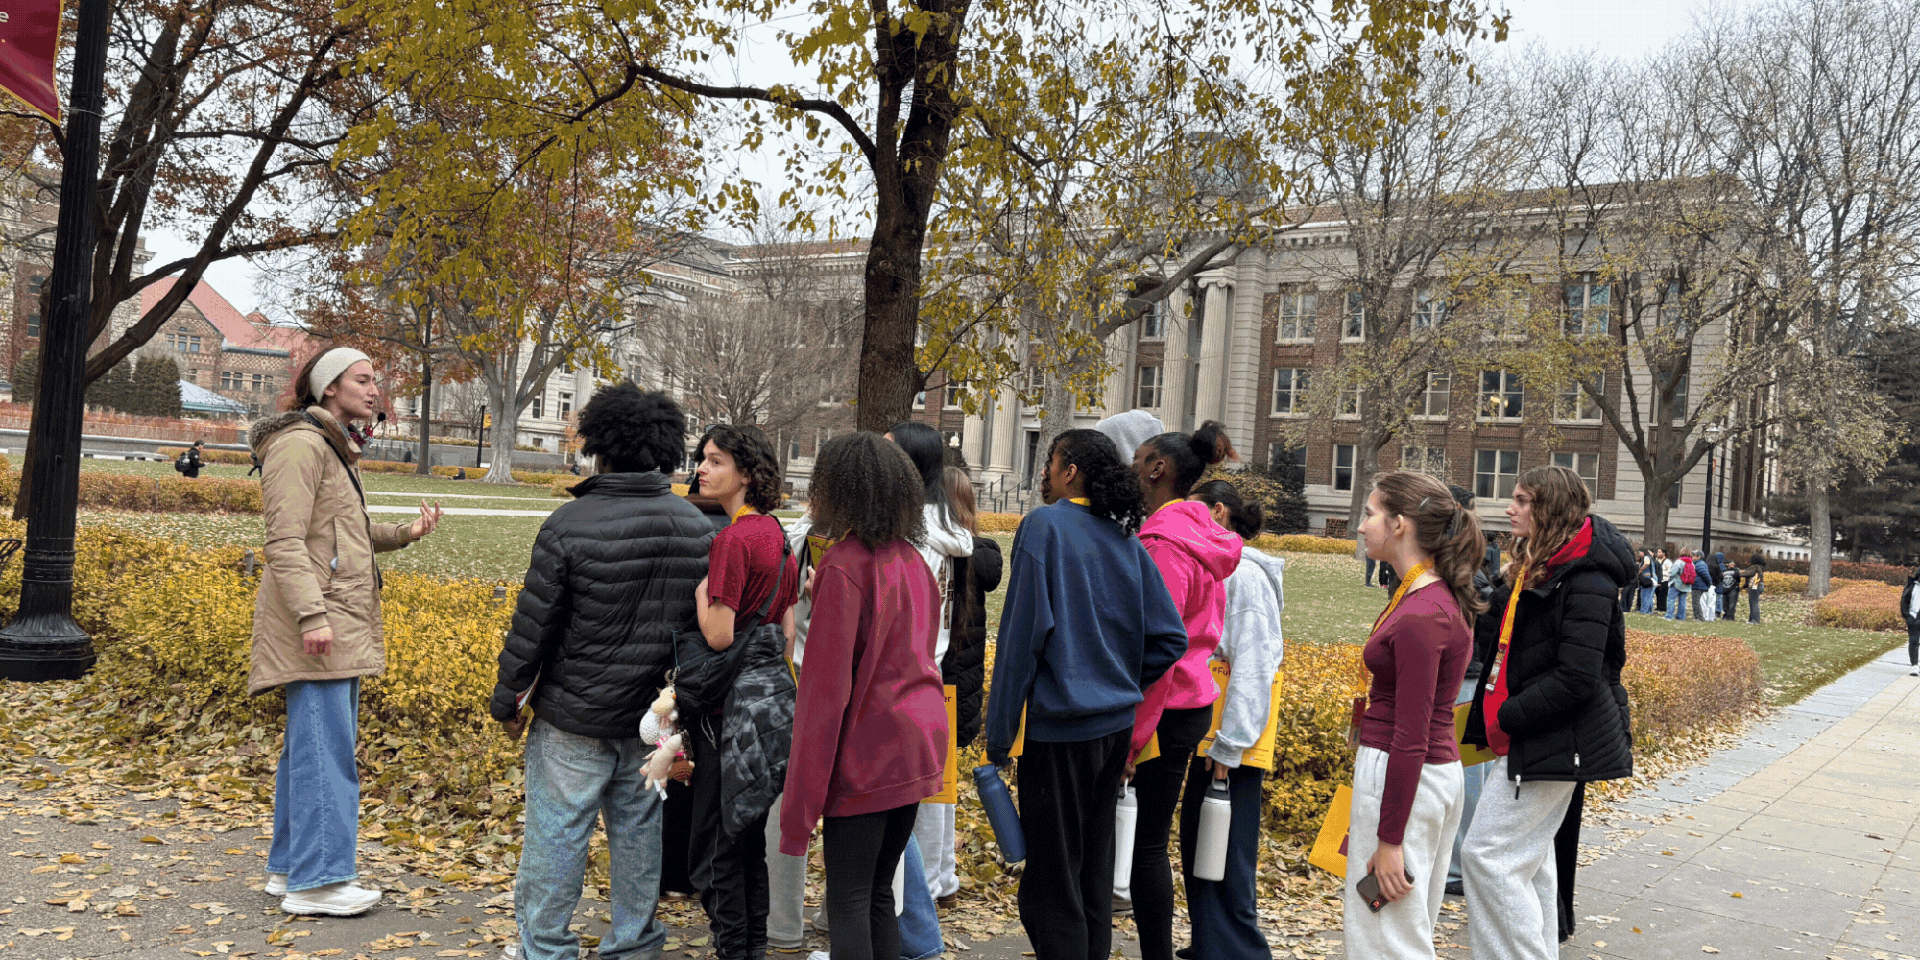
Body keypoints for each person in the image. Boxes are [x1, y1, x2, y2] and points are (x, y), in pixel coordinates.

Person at [489, 384, 713, 960]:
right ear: (666, 447)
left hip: (573, 715)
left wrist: (508, 698)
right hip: (653, 719)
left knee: (557, 833)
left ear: (599, 445)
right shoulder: (698, 529)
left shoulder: (569, 523)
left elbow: (533, 626)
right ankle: (633, 945)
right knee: (639, 837)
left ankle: (545, 946)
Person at [249, 348, 443, 916]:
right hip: (321, 623)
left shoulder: (332, 447)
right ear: (328, 387)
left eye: (374, 379)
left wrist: (404, 533)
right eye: (362, 379)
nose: (374, 389)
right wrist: (311, 615)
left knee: (310, 748)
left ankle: (291, 870)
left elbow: (342, 533)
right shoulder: (300, 446)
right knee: (324, 750)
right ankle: (321, 880)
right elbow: (284, 541)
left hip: (337, 619)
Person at [985, 429, 1187, 960]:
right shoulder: (1123, 536)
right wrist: (1118, 680)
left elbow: (1020, 639)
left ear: (1068, 469)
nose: (1046, 473)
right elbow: (1171, 636)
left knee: (1052, 884)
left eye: (1051, 462)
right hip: (1114, 729)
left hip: (1060, 730)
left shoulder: (1043, 528)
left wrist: (1000, 733)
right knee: (1093, 870)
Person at [780, 432, 948, 960]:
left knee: (850, 896)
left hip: (869, 749)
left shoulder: (846, 565)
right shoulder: (913, 560)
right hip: (916, 740)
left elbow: (824, 695)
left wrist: (800, 801)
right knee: (879, 892)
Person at [1461, 465, 1634, 960]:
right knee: (1531, 863)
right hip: (1528, 735)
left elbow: (1579, 677)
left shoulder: (1588, 579)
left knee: (1487, 858)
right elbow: (1495, 630)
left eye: (1521, 500)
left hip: (1551, 739)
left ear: (1549, 509)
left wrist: (1509, 716)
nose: (1509, 508)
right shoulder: (1536, 566)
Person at [1343, 472, 1484, 957]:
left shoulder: (1425, 612)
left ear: (1399, 524)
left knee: (1386, 938)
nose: (1362, 527)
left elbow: (1412, 734)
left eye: (1370, 514)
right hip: (1423, 778)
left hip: (1405, 777)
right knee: (1400, 929)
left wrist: (1389, 838)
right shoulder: (1428, 598)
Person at [1115, 422, 1241, 960]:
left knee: (1146, 846)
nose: (1132, 467)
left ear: (1156, 470)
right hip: (1189, 700)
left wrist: (1132, 740)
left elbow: (1158, 650)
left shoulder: (1165, 543)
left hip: (1165, 707)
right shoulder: (1198, 530)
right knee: (1151, 841)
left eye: (1138, 459)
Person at [692, 424, 800, 960]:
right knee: (749, 834)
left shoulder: (732, 540)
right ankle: (754, 944)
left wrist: (698, 594)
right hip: (771, 704)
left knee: (719, 841)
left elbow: (718, 634)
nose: (701, 469)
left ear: (746, 473)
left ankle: (732, 946)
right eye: (702, 459)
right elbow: (787, 630)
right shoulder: (778, 536)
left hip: (727, 705)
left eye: (714, 461)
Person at [1179, 480, 1283, 960]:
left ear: (1218, 512)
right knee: (1202, 846)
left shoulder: (1245, 576)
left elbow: (1255, 664)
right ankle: (1210, 944)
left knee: (1227, 852)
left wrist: (1229, 746)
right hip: (1214, 736)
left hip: (1230, 742)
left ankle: (1237, 949)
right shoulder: (1223, 569)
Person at [886, 422, 974, 912]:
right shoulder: (940, 529)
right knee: (925, 795)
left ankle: (908, 914)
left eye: (889, 450)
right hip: (926, 676)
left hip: (899, 679)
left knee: (901, 804)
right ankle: (931, 888)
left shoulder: (913, 534)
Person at [1903, 566, 1920, 677]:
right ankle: (1914, 665)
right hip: (1913, 619)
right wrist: (1907, 616)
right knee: (1913, 641)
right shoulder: (1911, 587)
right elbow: (1904, 602)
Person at [1666, 550, 1690, 621]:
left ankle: (1669, 616)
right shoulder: (1690, 562)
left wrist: (1669, 578)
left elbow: (1673, 572)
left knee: (1671, 599)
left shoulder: (1678, 562)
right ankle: (1681, 617)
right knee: (1682, 601)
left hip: (1676, 583)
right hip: (1686, 585)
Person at [1743, 553, 1766, 624]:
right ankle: (1753, 619)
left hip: (1755, 585)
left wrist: (1736, 573)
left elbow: (1747, 574)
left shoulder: (1754, 567)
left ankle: (1754, 620)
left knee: (1753, 603)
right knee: (1755, 603)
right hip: (1760, 585)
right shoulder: (1760, 567)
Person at [1691, 552, 1712, 621]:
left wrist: (1709, 584)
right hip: (1698, 585)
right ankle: (1698, 616)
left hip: (1698, 586)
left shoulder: (1700, 564)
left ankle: (1699, 617)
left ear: (1699, 556)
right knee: (1696, 602)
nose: (1692, 557)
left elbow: (1705, 575)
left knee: (1696, 602)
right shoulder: (1697, 564)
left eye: (1693, 555)